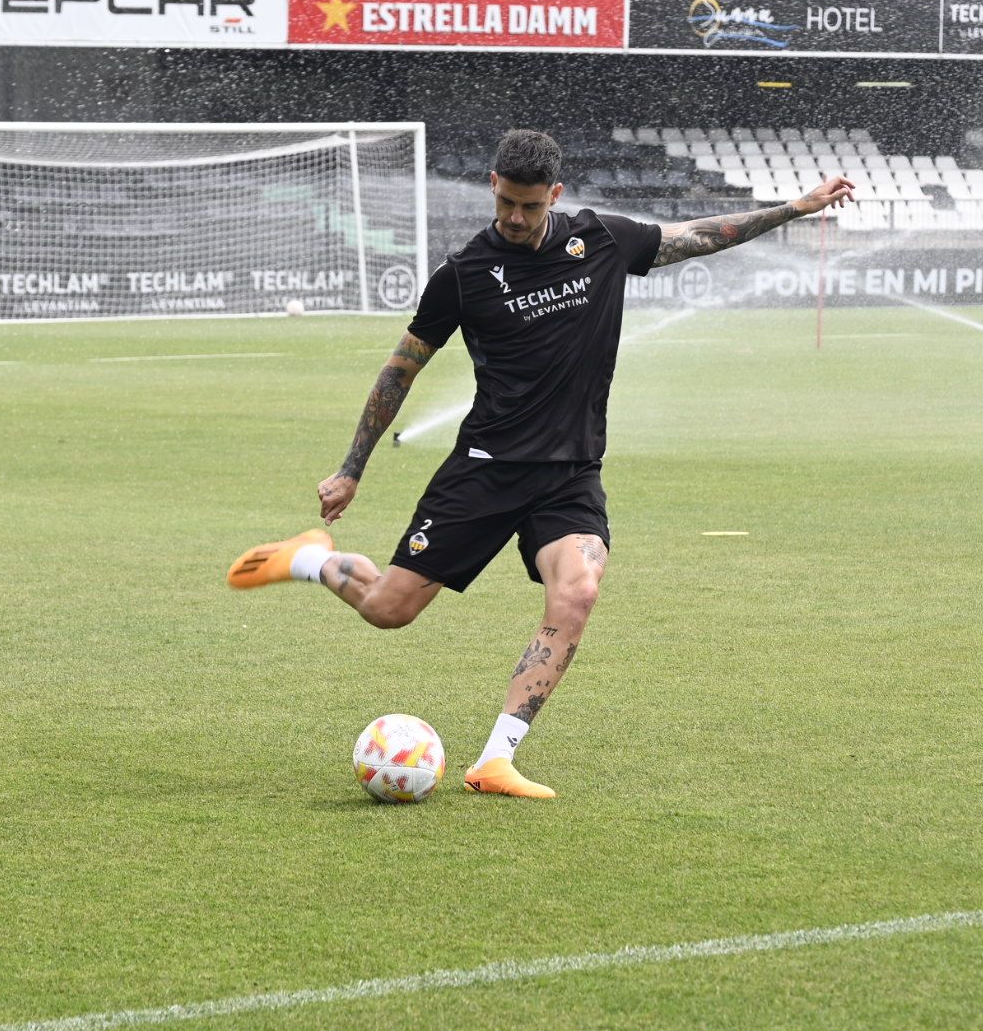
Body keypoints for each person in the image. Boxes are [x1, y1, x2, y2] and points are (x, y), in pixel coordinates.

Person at [229, 128, 855, 798]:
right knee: (388, 610)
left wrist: (795, 208)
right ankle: (310, 558)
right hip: (485, 471)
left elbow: (696, 236)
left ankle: (495, 759)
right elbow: (399, 371)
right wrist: (352, 468)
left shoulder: (602, 241)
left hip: (570, 475)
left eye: (529, 207)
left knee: (579, 590)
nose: (516, 219)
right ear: (494, 188)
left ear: (553, 195)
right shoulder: (465, 275)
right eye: (505, 205)